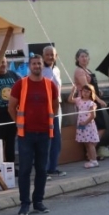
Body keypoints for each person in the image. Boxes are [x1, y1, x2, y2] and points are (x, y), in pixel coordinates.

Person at [7, 54, 59, 215]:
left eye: (39, 63)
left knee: (42, 169)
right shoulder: (20, 84)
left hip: (45, 133)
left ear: (43, 66)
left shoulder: (50, 85)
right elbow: (11, 107)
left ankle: (38, 202)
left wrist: (48, 121)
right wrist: (18, 122)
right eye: (34, 63)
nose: (37, 66)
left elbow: (55, 106)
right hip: (26, 134)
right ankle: (24, 204)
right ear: (29, 66)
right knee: (25, 169)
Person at [41, 45, 66, 177]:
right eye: (48, 54)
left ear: (56, 56)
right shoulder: (40, 70)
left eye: (53, 55)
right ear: (43, 56)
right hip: (44, 107)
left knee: (57, 138)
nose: (50, 57)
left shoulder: (56, 69)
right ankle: (43, 169)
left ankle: (53, 167)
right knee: (46, 138)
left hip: (57, 106)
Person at [73, 49, 108, 132]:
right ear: (77, 59)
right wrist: (99, 100)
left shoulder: (88, 70)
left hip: (93, 99)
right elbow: (86, 88)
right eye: (82, 56)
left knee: (98, 126)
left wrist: (98, 90)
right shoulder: (79, 71)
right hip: (86, 101)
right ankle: (92, 141)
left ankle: (93, 141)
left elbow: (91, 85)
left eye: (86, 56)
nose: (84, 58)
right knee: (98, 126)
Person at [71, 83, 100, 168]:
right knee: (86, 143)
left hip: (88, 125)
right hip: (81, 124)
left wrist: (85, 122)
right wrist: (73, 91)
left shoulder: (91, 103)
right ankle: (91, 159)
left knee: (90, 143)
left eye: (87, 92)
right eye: (84, 91)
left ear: (91, 93)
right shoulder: (79, 100)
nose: (85, 93)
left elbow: (93, 115)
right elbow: (70, 100)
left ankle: (94, 160)